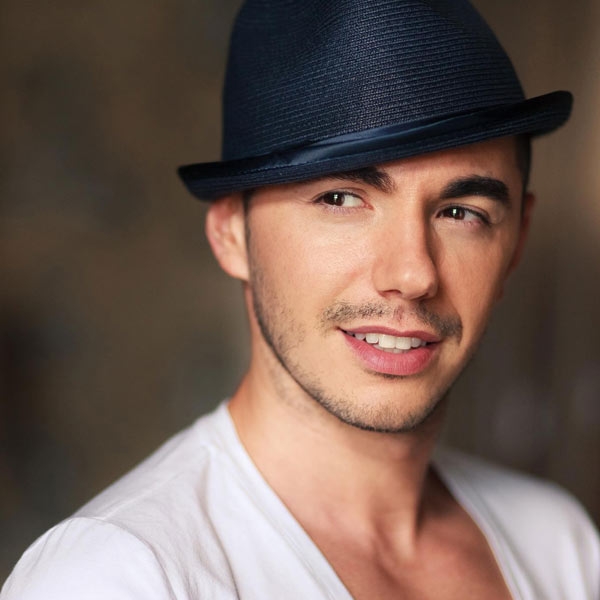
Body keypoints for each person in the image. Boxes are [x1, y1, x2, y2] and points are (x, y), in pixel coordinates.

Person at [3, 1, 599, 598]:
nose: (413, 273)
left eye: (461, 212)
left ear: (517, 238)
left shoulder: (558, 543)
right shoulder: (119, 575)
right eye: (340, 199)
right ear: (231, 232)